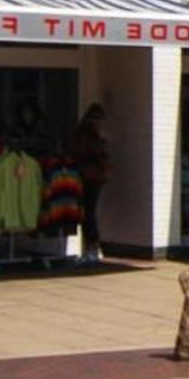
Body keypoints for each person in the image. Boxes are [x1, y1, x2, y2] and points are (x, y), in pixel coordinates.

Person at [72, 103, 111, 263]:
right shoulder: (93, 135)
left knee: (88, 213)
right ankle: (92, 248)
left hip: (87, 176)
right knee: (89, 213)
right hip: (93, 176)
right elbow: (100, 156)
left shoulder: (86, 134)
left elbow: (83, 152)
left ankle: (91, 248)